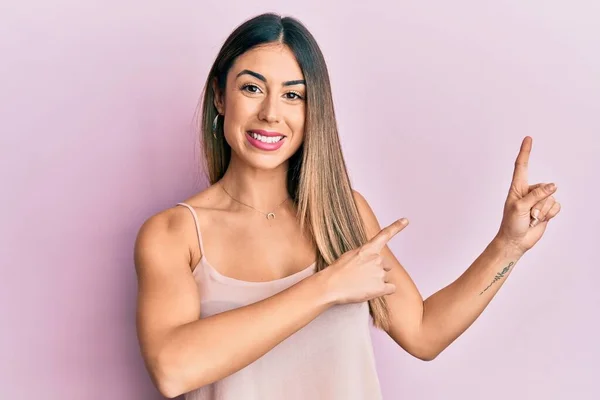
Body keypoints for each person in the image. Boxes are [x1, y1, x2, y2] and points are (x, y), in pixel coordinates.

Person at [133, 12, 561, 400]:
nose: (270, 113)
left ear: (312, 110)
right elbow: (172, 370)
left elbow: (424, 333)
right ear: (220, 98)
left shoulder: (343, 214)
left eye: (293, 96)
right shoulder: (174, 233)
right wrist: (325, 288)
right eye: (251, 88)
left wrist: (508, 245)